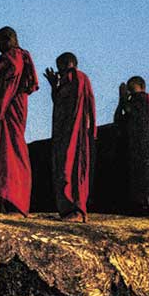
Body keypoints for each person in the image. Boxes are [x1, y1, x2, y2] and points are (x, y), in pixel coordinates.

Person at [0, 26, 38, 214]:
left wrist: (4, 101)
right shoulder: (5, 58)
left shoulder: (14, 56)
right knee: (4, 153)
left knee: (13, 152)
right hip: (4, 110)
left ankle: (16, 201)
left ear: (9, 39)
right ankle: (5, 199)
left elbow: (13, 73)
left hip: (11, 108)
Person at [43, 52, 96, 222]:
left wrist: (77, 129)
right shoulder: (65, 81)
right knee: (63, 168)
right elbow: (59, 104)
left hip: (75, 131)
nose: (59, 71)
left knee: (73, 168)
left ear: (69, 63)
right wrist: (54, 86)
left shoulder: (78, 77)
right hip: (63, 132)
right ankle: (67, 209)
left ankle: (78, 210)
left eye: (60, 67)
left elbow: (80, 105)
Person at [114, 75, 149, 213]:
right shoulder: (138, 100)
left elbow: (131, 113)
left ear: (141, 87)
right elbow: (119, 119)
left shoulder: (142, 98)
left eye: (132, 89)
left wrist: (123, 99)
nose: (130, 93)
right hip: (136, 144)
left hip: (143, 144)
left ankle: (144, 205)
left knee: (144, 177)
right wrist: (121, 101)